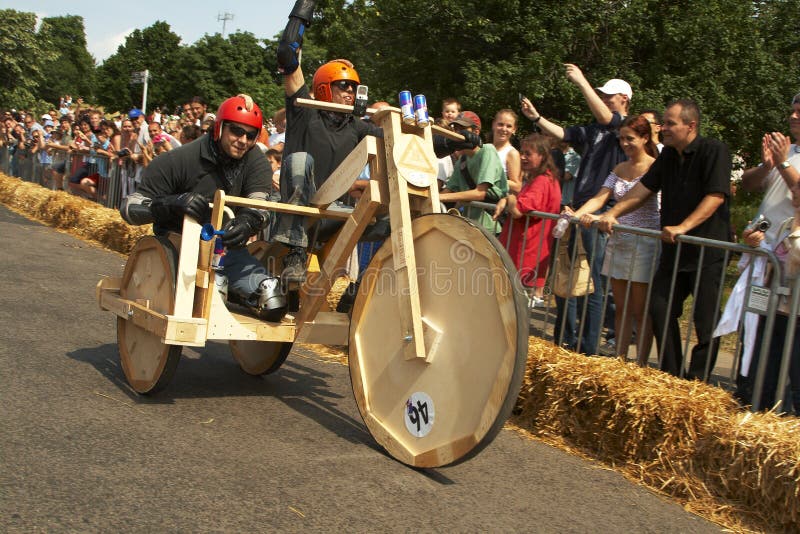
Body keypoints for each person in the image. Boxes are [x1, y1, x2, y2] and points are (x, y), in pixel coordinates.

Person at [120, 95, 287, 322]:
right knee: (194, 301)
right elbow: (129, 208)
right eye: (236, 131)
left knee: (273, 300)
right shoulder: (178, 160)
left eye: (250, 135)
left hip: (226, 253)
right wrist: (170, 203)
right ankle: (221, 291)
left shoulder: (256, 160)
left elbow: (261, 205)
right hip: (177, 251)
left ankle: (236, 294)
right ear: (219, 128)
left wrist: (247, 221)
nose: (243, 140)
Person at [599, 99, 732, 380]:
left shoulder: (714, 151)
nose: (664, 128)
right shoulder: (669, 156)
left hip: (706, 253)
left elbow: (716, 196)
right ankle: (672, 375)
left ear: (691, 125)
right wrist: (615, 214)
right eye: (664, 123)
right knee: (659, 307)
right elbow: (643, 189)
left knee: (706, 321)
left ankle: (698, 382)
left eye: (670, 123)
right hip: (674, 250)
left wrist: (683, 226)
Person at [521, 65, 631, 354]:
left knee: (592, 281)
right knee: (572, 276)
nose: (605, 99)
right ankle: (569, 340)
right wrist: (537, 117)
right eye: (603, 95)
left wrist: (582, 81)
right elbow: (564, 133)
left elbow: (607, 117)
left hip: (599, 211)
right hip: (579, 210)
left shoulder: (622, 127)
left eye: (610, 96)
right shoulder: (595, 129)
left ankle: (589, 346)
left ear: (624, 99)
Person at [722, 92, 800, 405]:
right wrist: (767, 165)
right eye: (792, 111)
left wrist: (781, 162)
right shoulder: (787, 150)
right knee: (759, 323)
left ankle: (791, 404)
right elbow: (750, 185)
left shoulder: (787, 156)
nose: (793, 117)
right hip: (765, 258)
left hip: (793, 259)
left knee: (791, 334)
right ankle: (753, 392)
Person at [571, 115, 660, 364]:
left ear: (645, 138)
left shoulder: (655, 167)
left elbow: (643, 200)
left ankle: (640, 363)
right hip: (619, 240)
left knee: (641, 310)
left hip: (645, 243)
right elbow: (600, 197)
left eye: (630, 138)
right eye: (621, 139)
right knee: (621, 307)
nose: (624, 144)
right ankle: (620, 361)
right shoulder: (619, 168)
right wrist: (576, 215)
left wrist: (606, 215)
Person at [740, 180, 800, 413]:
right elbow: (776, 260)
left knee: (797, 379)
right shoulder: (786, 223)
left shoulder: (792, 226)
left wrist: (795, 230)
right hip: (777, 309)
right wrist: (757, 243)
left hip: (797, 313)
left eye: (798, 187)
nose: (792, 191)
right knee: (764, 375)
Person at [495, 134, 561, 306]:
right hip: (529, 248)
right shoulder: (547, 179)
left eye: (528, 153)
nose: (522, 157)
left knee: (513, 307)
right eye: (522, 152)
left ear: (542, 156)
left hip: (526, 250)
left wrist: (507, 199)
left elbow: (517, 211)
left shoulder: (541, 181)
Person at [439, 111, 509, 235]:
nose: (457, 133)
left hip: (488, 229)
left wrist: (439, 197)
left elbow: (480, 193)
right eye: (455, 128)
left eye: (462, 129)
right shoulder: (462, 160)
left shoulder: (487, 151)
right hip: (469, 227)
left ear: (476, 132)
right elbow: (449, 190)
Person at [491, 109, 522, 192]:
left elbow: (516, 186)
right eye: (500, 124)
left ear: (514, 129)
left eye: (509, 126)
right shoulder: (485, 148)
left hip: (495, 202)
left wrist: (490, 178)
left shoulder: (512, 153)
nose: (504, 129)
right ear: (493, 125)